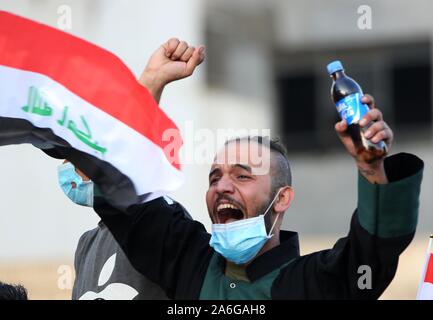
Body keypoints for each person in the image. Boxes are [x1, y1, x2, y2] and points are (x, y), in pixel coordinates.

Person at [86, 91, 424, 299]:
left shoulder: (314, 283)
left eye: (242, 176)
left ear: (282, 199)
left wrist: (370, 169)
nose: (221, 186)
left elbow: (374, 251)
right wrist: (152, 82)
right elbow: (121, 189)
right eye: (214, 176)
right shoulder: (188, 262)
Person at [57, 38, 204, 300]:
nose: (70, 167)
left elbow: (126, 145)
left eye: (79, 154)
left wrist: (152, 80)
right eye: (67, 156)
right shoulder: (86, 244)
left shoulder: (159, 220)